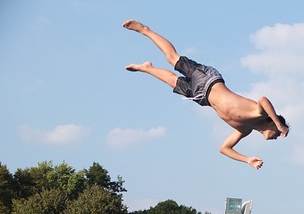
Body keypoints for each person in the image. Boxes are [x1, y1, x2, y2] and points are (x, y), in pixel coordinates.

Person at [122, 20, 289, 170]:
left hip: (203, 98)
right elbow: (263, 99)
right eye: (277, 133)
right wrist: (280, 125)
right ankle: (145, 30)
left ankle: (147, 68)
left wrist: (247, 160)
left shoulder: (245, 130)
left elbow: (224, 149)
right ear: (273, 123)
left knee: (172, 82)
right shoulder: (259, 113)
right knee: (172, 58)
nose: (276, 137)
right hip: (209, 80)